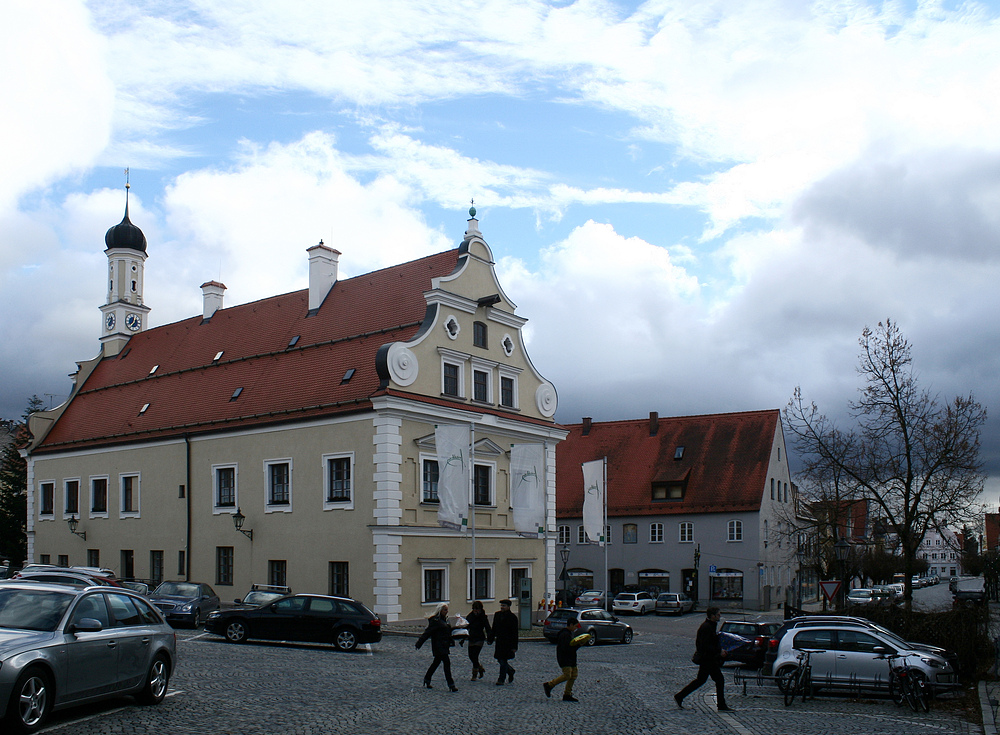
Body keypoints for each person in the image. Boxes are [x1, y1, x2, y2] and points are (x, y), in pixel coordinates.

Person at [675, 606, 730, 711]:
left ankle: (680, 696)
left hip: (708, 659)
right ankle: (721, 705)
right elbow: (705, 645)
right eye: (718, 614)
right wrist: (719, 651)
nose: (720, 616)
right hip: (708, 659)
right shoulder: (707, 627)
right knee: (719, 679)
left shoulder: (710, 626)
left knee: (701, 680)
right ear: (712, 616)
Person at [542, 616, 586, 702]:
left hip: (571, 658)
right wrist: (579, 645)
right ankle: (549, 685)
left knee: (573, 675)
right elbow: (567, 648)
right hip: (565, 658)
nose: (576, 628)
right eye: (575, 626)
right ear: (571, 625)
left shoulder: (569, 633)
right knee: (567, 675)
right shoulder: (565, 634)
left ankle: (567, 694)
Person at [415, 603, 458, 692]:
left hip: (444, 645)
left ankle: (427, 678)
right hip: (439, 646)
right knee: (446, 663)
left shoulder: (444, 620)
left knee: (436, 663)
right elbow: (427, 632)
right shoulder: (436, 621)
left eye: (447, 609)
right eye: (445, 610)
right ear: (440, 610)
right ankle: (451, 684)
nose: (447, 611)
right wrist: (420, 642)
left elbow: (447, 631)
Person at [489, 599, 519, 685]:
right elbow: (494, 628)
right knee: (499, 659)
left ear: (508, 607)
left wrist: (514, 646)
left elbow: (515, 633)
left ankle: (501, 679)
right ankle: (510, 670)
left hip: (508, 643)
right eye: (501, 605)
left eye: (504, 606)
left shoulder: (513, 618)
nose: (502, 607)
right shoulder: (497, 615)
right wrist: (490, 638)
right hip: (499, 641)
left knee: (503, 660)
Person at [466, 600, 492, 680]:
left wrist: (490, 638)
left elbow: (488, 628)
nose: (476, 611)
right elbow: (466, 627)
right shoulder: (470, 616)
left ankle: (474, 674)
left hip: (480, 638)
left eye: (477, 609)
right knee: (471, 656)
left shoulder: (483, 617)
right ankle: (480, 668)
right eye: (474, 609)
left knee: (475, 655)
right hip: (472, 637)